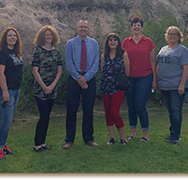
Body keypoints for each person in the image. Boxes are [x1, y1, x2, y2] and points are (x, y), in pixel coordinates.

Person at [63, 20, 99, 149]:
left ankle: (88, 138)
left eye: (85, 27)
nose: (83, 29)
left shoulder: (94, 43)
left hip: (89, 78)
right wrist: (79, 78)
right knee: (71, 110)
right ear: (77, 28)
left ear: (88, 29)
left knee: (88, 110)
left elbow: (96, 63)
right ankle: (69, 139)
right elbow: (69, 63)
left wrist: (86, 78)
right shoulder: (70, 44)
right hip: (74, 78)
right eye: (81, 27)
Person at [121, 16, 157, 142]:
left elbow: (152, 61)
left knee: (140, 105)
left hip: (145, 76)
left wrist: (154, 79)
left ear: (142, 27)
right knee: (131, 105)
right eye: (134, 25)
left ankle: (145, 134)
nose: (136, 27)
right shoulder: (125, 42)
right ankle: (133, 132)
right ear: (131, 27)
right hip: (130, 77)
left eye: (138, 25)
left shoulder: (148, 42)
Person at [156, 26, 188, 145]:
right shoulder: (163, 48)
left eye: (174, 34)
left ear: (179, 37)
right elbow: (159, 65)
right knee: (170, 110)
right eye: (170, 33)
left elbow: (186, 67)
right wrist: (156, 80)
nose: (172, 36)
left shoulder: (182, 50)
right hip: (164, 85)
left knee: (176, 110)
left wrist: (182, 84)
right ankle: (172, 133)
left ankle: (176, 136)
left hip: (177, 86)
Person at [0, 27, 24, 159]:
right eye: (10, 36)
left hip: (15, 89)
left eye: (15, 36)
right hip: (5, 91)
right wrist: (5, 91)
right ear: (5, 38)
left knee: (8, 120)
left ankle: (3, 145)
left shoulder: (16, 53)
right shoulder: (1, 53)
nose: (13, 38)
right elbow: (0, 73)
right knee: (6, 120)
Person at [31, 25, 63, 152]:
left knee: (47, 116)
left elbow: (59, 71)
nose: (49, 37)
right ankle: (37, 144)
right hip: (40, 89)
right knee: (43, 115)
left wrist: (52, 86)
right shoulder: (37, 51)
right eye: (46, 35)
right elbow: (35, 70)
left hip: (52, 88)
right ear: (42, 37)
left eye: (51, 35)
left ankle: (42, 143)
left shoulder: (57, 52)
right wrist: (44, 87)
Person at [100, 33, 130, 146]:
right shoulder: (104, 55)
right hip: (106, 86)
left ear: (118, 42)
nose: (112, 42)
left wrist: (122, 82)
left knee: (114, 112)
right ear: (107, 42)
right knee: (107, 113)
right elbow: (103, 70)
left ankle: (123, 137)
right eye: (110, 40)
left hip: (118, 87)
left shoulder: (123, 54)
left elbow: (127, 71)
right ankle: (112, 137)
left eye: (115, 40)